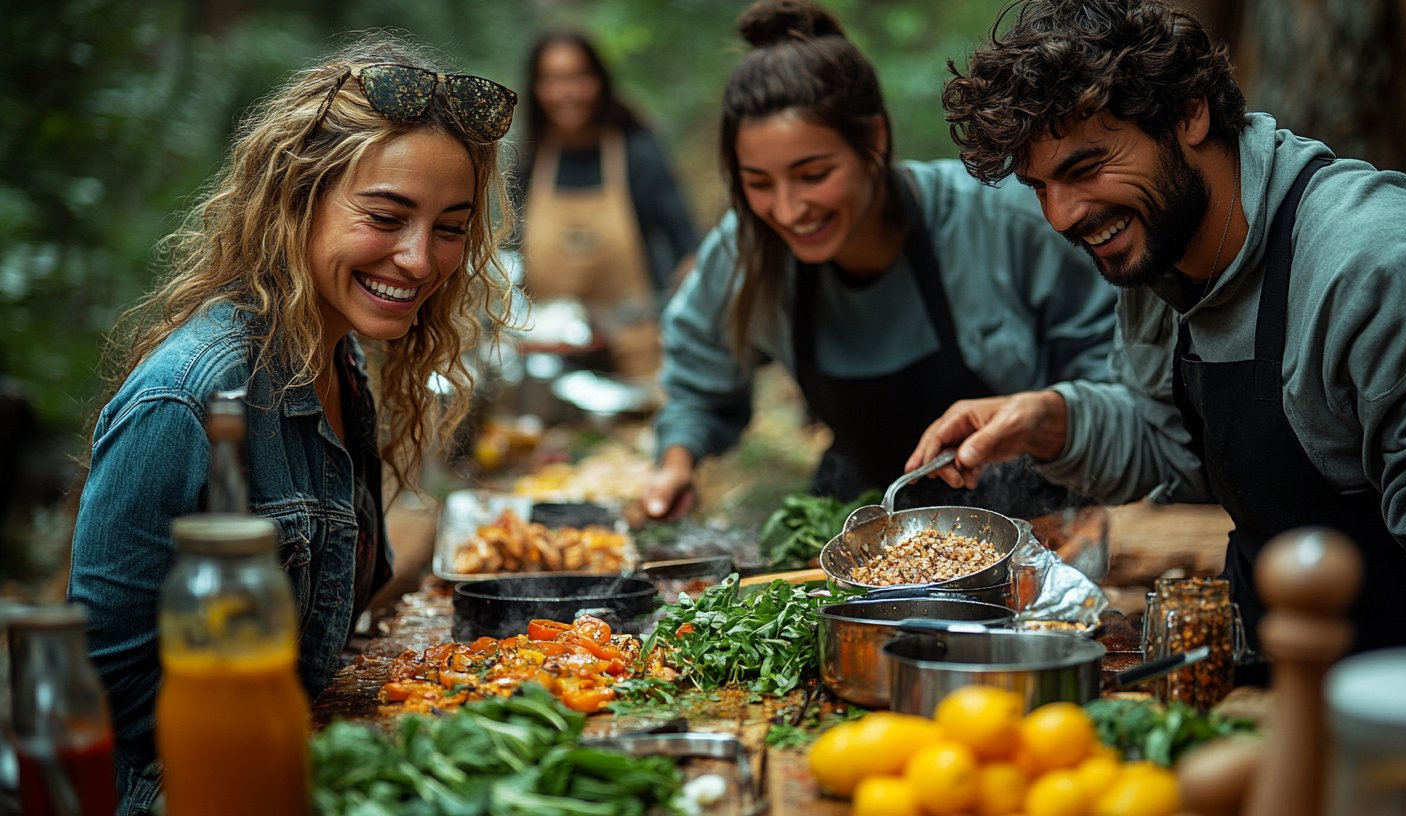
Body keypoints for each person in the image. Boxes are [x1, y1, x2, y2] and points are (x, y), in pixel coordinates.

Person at [912, 0, 1406, 665]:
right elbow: (1180, 452)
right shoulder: (1159, 252)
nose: (1061, 216)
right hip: (1255, 669)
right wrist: (1051, 419)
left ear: (1190, 113)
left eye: (1084, 169)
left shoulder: (1377, 272)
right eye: (1038, 187)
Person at [66, 33, 517, 812]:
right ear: (295, 199)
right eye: (386, 216)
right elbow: (98, 700)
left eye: (450, 227)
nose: (420, 259)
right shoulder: (192, 399)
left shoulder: (335, 360)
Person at [641, 0, 1116, 522]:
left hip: (1034, 529)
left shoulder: (1001, 222)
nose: (788, 209)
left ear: (875, 139)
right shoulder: (746, 251)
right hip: (859, 529)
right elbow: (696, 372)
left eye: (813, 174)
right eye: (758, 184)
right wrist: (676, 462)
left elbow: (1116, 382)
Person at [509, 30, 700, 379]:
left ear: (598, 81)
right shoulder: (530, 161)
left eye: (578, 78)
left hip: (638, 353)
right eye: (552, 80)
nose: (566, 93)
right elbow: (509, 255)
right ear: (536, 90)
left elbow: (686, 246)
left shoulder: (636, 152)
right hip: (550, 362)